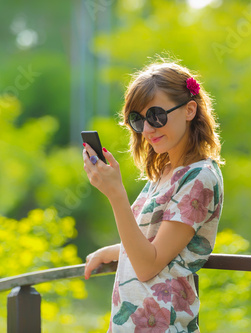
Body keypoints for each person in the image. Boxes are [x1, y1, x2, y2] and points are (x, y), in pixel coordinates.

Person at [82, 59, 224, 332]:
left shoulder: (200, 177)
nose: (147, 129)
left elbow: (148, 265)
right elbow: (151, 244)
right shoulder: (164, 173)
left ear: (189, 110)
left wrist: (116, 195)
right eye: (138, 120)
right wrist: (111, 252)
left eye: (156, 115)